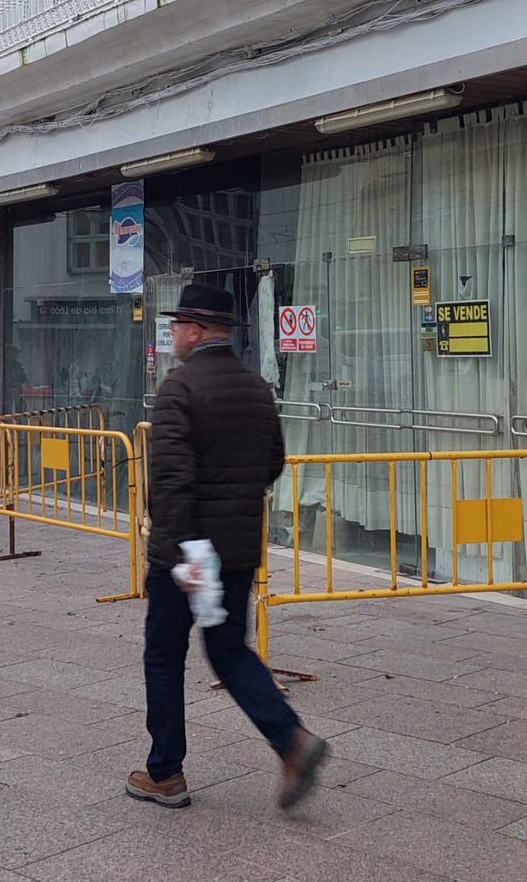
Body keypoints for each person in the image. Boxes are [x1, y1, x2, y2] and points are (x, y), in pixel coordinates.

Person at [129, 283, 328, 812]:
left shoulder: (179, 389)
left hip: (186, 553)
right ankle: (292, 740)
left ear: (195, 331)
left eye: (176, 326)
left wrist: (179, 554)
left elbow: (170, 482)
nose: (172, 334)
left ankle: (164, 773)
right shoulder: (257, 388)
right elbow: (273, 465)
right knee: (229, 648)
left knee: (164, 654)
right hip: (238, 549)